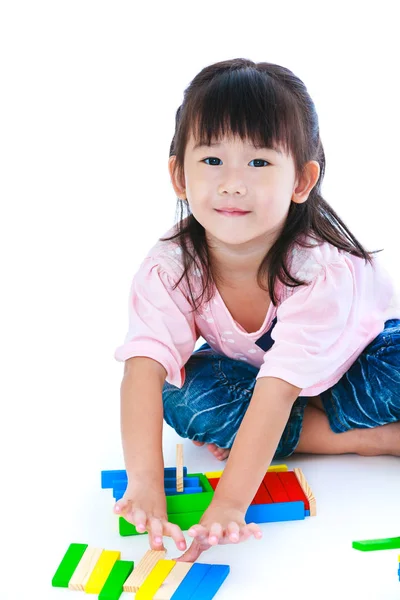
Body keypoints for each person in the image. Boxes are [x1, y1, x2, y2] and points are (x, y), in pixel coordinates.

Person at [112, 58, 400, 562]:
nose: (233, 183)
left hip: (359, 364)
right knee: (181, 394)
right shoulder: (169, 267)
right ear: (179, 175)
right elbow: (143, 370)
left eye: (260, 163)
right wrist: (145, 485)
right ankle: (368, 439)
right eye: (212, 161)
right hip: (269, 382)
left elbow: (276, 391)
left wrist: (228, 505)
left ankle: (340, 431)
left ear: (301, 180)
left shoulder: (316, 269)